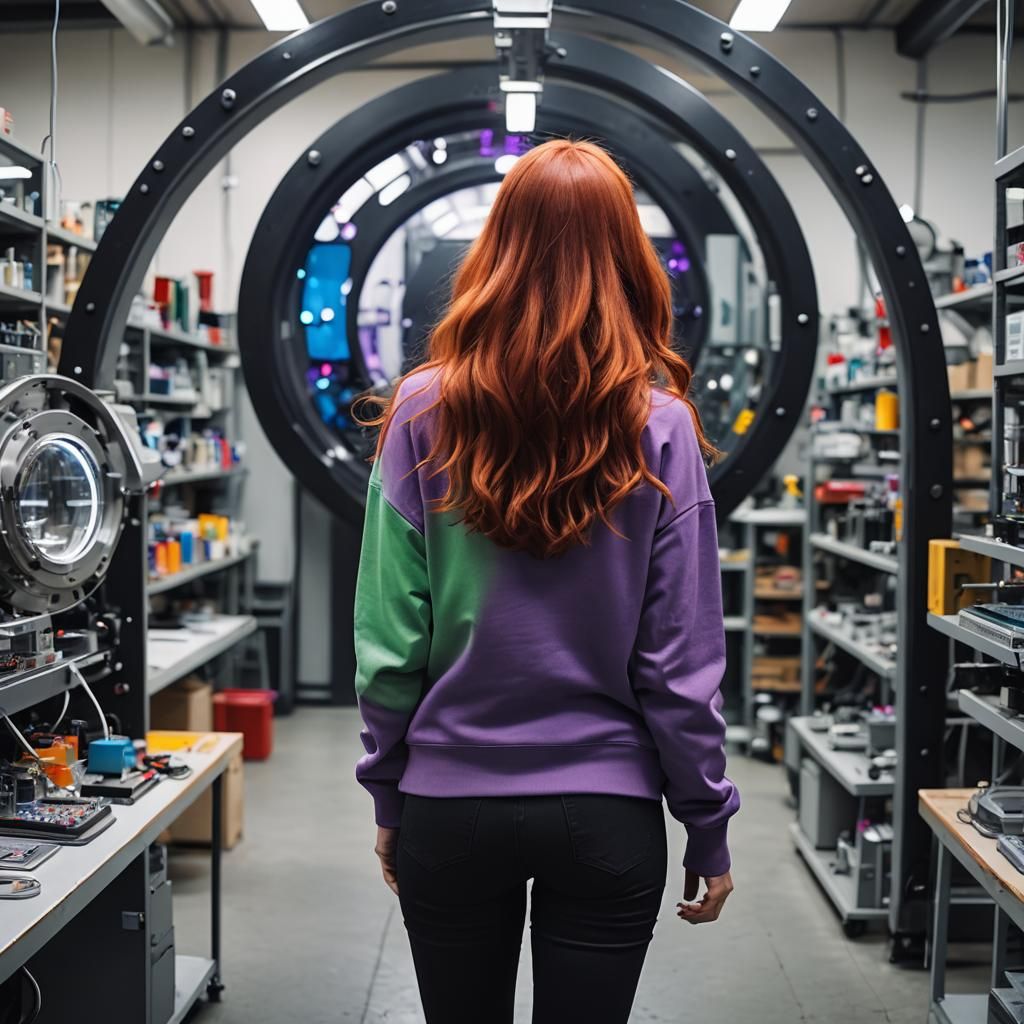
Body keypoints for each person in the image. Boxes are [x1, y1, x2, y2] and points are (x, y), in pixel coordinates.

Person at [352, 139, 739, 1024]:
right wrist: (706, 822)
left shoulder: (420, 410)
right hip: (608, 814)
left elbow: (389, 640)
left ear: (495, 251)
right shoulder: (665, 427)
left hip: (450, 806)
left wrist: (391, 788)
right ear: (627, 260)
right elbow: (680, 665)